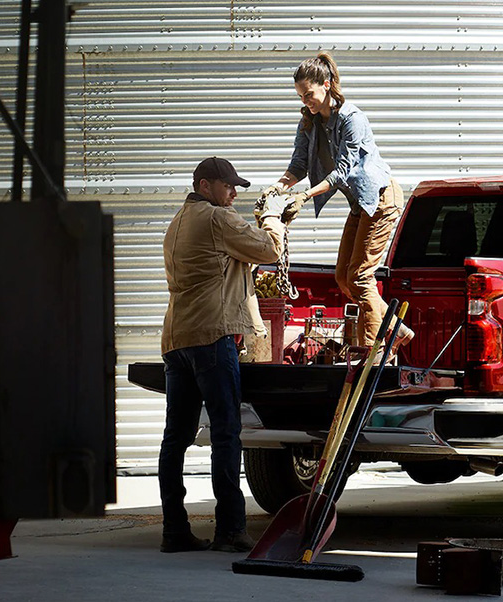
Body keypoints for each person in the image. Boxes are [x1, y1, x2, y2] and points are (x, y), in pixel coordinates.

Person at [158, 157, 296, 553]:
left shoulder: (177, 223)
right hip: (213, 338)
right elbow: (268, 249)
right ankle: (230, 530)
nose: (234, 192)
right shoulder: (218, 219)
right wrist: (271, 216)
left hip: (177, 339)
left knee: (176, 438)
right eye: (228, 186)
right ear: (205, 185)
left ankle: (174, 531)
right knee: (225, 434)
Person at [260, 52, 413, 353]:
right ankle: (397, 330)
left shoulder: (351, 119)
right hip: (361, 204)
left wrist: (304, 195)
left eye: (309, 94)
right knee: (343, 277)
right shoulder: (309, 122)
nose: (306, 101)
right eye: (301, 96)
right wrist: (276, 188)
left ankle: (371, 351)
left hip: (381, 198)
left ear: (327, 85)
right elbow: (298, 165)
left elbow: (343, 172)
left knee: (360, 276)